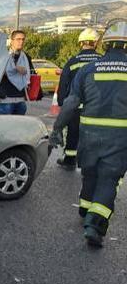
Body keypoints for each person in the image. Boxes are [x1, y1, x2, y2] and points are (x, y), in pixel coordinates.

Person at [49, 19, 127, 247]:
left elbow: (71, 104)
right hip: (120, 137)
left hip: (89, 134)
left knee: (90, 172)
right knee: (108, 179)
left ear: (105, 44)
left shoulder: (88, 70)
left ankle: (85, 208)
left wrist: (57, 129)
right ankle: (95, 225)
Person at [55, 28, 102, 170]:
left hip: (75, 106)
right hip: (96, 107)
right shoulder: (102, 61)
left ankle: (69, 161)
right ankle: (92, 163)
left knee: (73, 134)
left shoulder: (73, 61)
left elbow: (64, 83)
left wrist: (62, 103)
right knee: (95, 134)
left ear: (81, 43)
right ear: (96, 43)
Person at [0, 30, 35, 115]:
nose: (21, 42)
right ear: (12, 41)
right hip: (4, 101)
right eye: (18, 39)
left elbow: (30, 74)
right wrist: (14, 68)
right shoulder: (2, 55)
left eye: (23, 39)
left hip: (20, 100)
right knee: (4, 127)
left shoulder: (26, 57)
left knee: (18, 128)